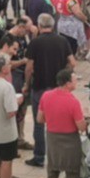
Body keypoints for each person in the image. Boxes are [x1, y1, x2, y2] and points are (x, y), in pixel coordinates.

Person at [37, 68, 90, 178]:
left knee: (52, 175)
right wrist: (86, 122)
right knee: (72, 177)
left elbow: (40, 119)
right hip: (70, 141)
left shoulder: (46, 96)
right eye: (75, 80)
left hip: (53, 139)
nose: (77, 82)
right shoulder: (73, 102)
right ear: (68, 83)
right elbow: (80, 127)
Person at [23, 13, 76, 168]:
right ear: (53, 26)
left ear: (39, 26)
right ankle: (59, 156)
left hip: (39, 86)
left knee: (39, 123)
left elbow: (29, 67)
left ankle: (39, 156)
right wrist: (64, 76)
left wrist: (27, 84)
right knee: (58, 122)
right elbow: (72, 63)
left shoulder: (35, 43)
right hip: (57, 87)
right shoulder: (62, 41)